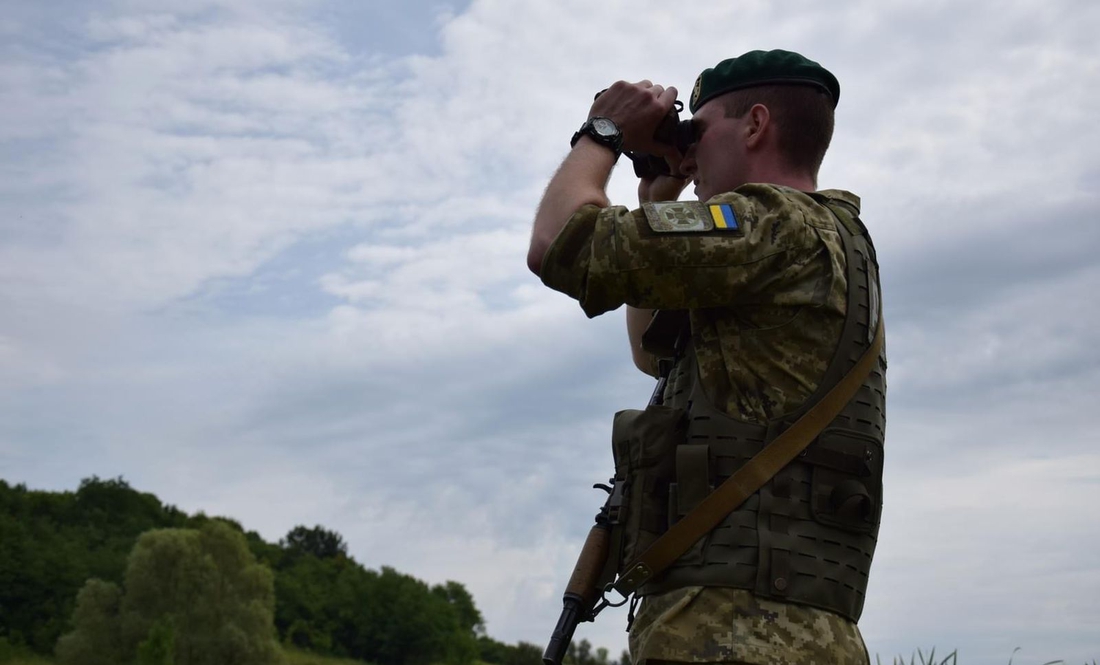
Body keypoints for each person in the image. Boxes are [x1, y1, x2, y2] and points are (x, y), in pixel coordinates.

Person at [527, 50, 886, 665]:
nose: (688, 152)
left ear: (755, 125)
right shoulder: (823, 239)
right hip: (793, 632)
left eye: (699, 129)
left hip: (733, 632)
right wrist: (657, 197)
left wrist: (603, 132)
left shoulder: (771, 223)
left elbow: (559, 245)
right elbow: (652, 353)